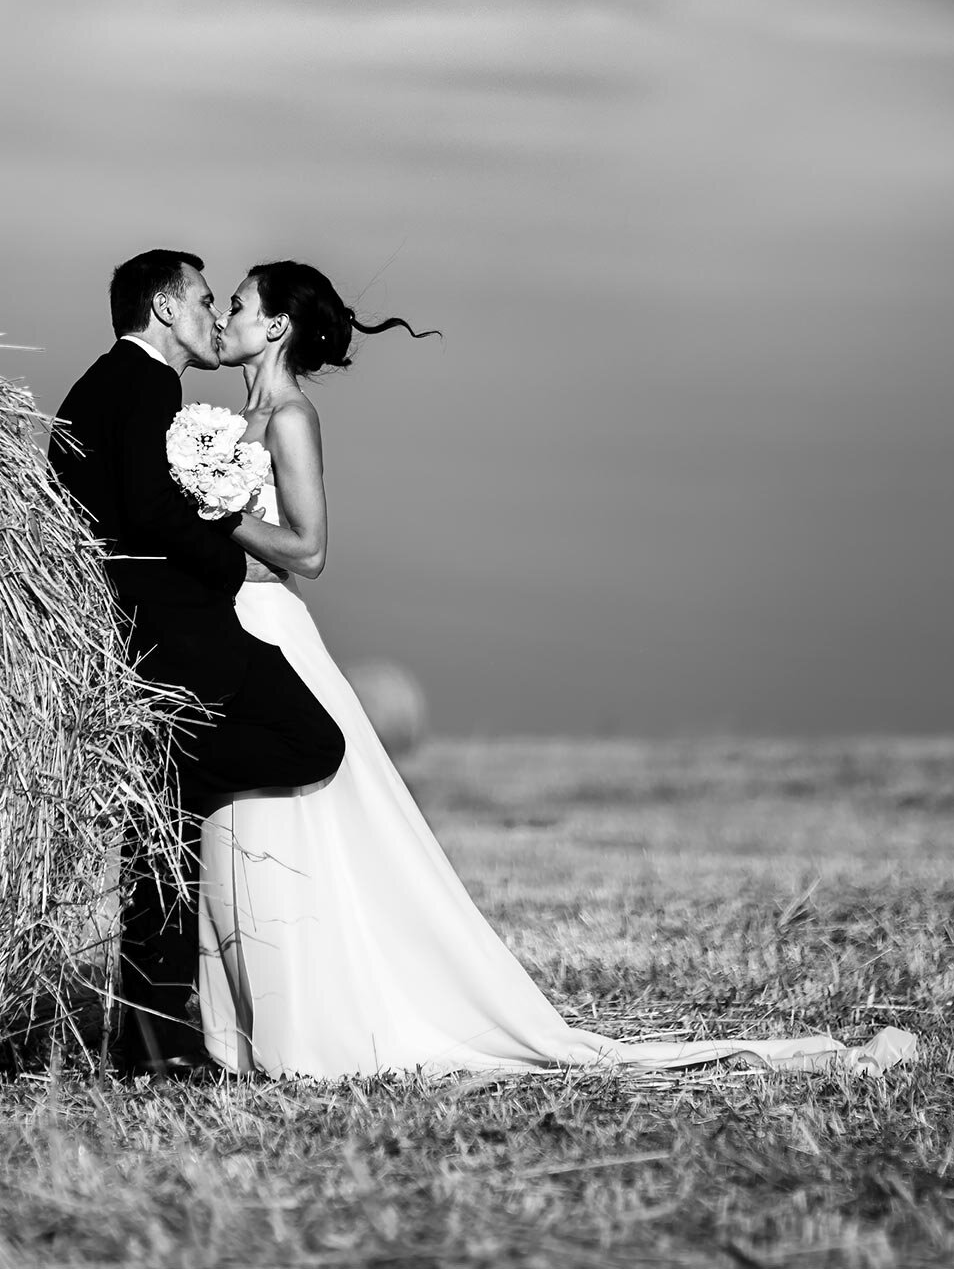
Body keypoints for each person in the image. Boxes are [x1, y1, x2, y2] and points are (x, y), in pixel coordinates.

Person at [196, 261, 916, 1078]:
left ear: (278, 325)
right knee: (237, 832)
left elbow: (312, 551)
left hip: (272, 623)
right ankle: (242, 1027)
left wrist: (218, 519)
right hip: (228, 622)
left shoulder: (291, 415)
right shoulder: (233, 418)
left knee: (288, 827)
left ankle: (313, 1024)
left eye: (240, 304)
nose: (226, 314)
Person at [49, 250, 345, 1077]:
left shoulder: (110, 387)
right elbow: (145, 511)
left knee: (164, 833)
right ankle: (156, 1036)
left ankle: (150, 1037)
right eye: (209, 300)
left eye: (233, 304)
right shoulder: (144, 385)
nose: (217, 316)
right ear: (165, 307)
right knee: (298, 748)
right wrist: (219, 554)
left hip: (159, 632)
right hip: (183, 632)